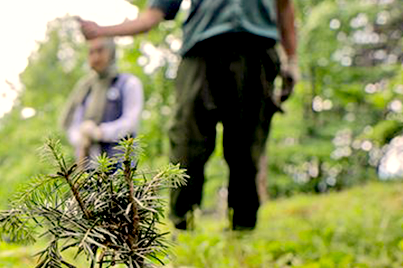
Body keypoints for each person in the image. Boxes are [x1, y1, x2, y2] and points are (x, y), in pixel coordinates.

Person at [80, 0, 298, 230]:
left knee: (247, 146)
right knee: (187, 142)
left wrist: (292, 59)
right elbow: (152, 15)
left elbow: (284, 7)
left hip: (256, 50)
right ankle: (183, 226)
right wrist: (102, 31)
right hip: (200, 53)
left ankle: (243, 229)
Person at [61, 36, 144, 169]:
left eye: (100, 51)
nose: (95, 57)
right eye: (91, 52)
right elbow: (73, 126)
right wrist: (81, 136)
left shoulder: (128, 83)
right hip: (88, 168)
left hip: (121, 168)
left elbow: (130, 123)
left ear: (111, 52)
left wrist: (100, 132)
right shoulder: (85, 89)